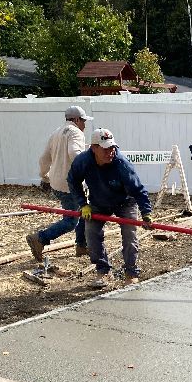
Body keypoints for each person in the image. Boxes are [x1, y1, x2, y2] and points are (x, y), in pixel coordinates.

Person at [67, 128, 153, 289]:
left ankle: (131, 273)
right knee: (91, 233)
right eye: (106, 149)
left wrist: (146, 213)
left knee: (129, 235)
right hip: (98, 202)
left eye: (112, 147)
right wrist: (83, 204)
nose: (110, 152)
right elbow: (72, 180)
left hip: (125, 202)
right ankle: (103, 271)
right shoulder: (83, 161)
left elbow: (138, 190)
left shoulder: (122, 164)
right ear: (94, 148)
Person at [26, 105, 92, 261]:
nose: (85, 125)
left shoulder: (56, 133)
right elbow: (75, 153)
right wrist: (89, 171)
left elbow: (44, 158)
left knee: (84, 212)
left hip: (57, 183)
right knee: (71, 221)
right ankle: (40, 238)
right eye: (83, 121)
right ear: (76, 120)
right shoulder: (76, 132)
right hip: (70, 185)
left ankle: (82, 245)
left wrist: (44, 176)